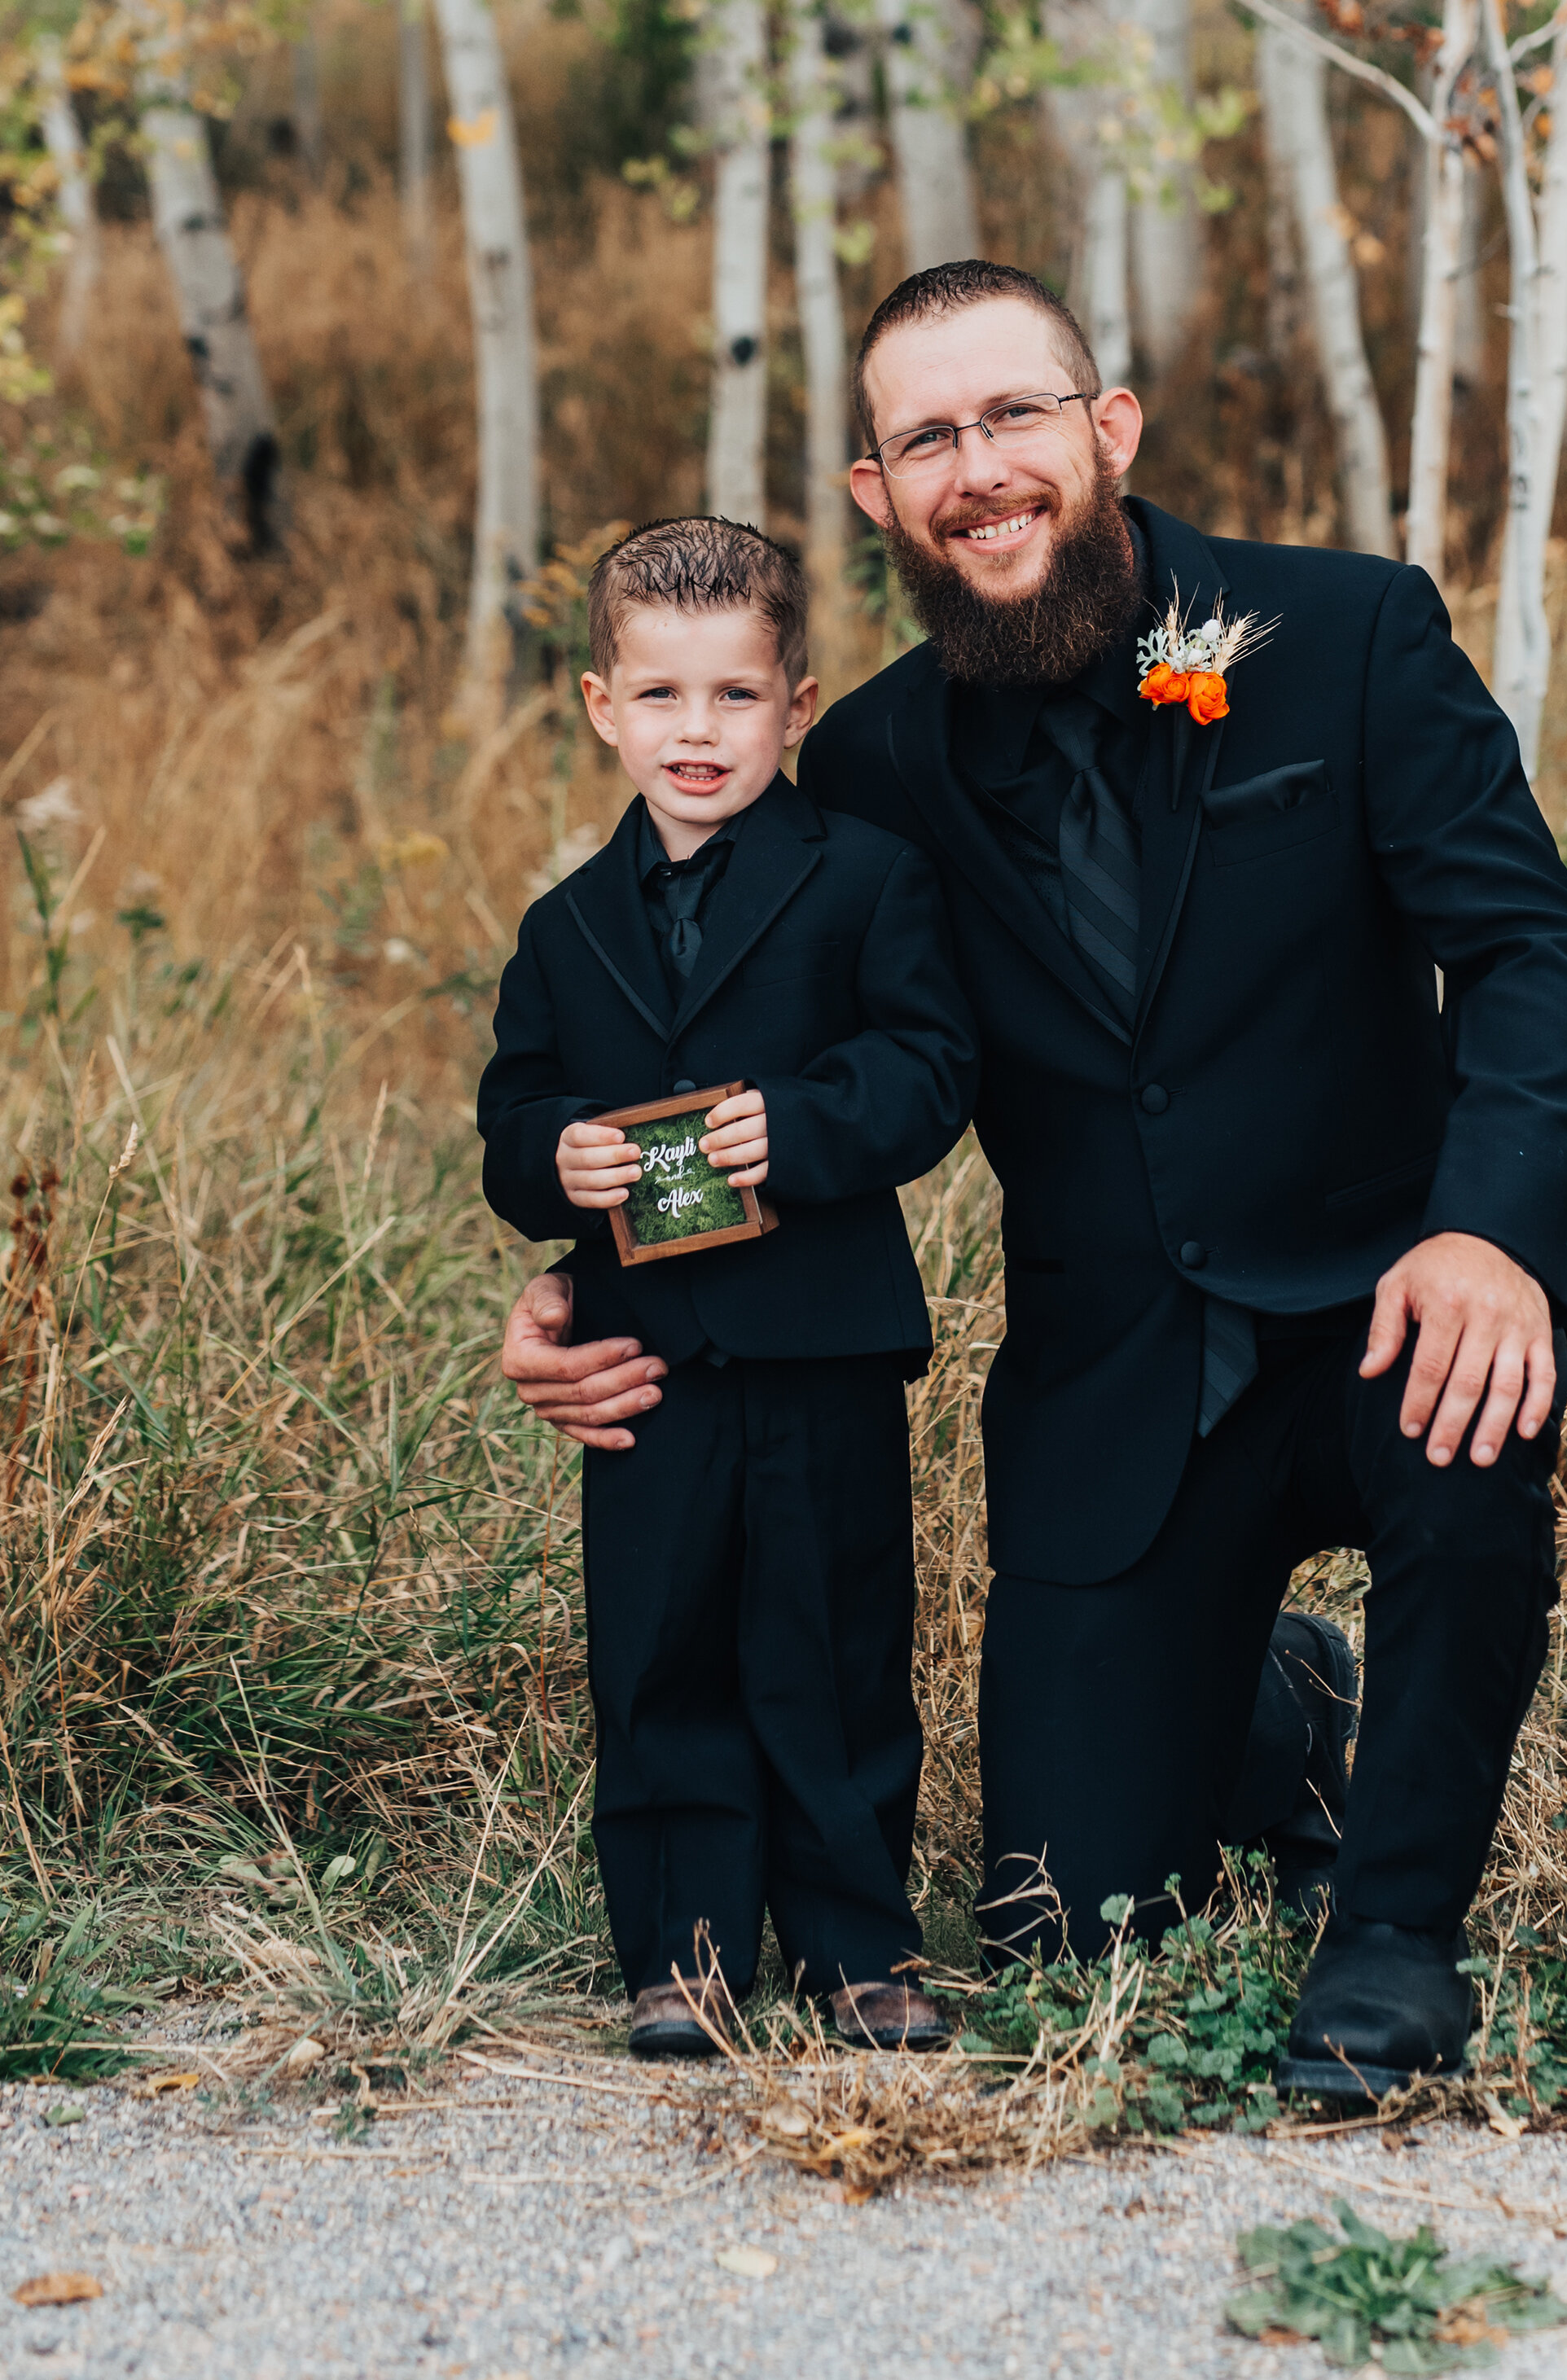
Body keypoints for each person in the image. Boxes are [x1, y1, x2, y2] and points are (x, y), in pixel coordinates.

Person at [500, 263, 1567, 2099]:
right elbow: (746, 1053)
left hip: (1391, 1300)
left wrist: (1491, 1231)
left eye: (1014, 414)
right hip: (1119, 1386)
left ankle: (1394, 1942)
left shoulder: (1346, 633)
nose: (981, 469)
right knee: (1063, 1937)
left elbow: (1528, 953)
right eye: (929, 438)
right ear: (879, 494)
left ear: (1109, 431)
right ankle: (1290, 1705)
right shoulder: (864, 761)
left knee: (1470, 1442)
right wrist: (585, 1270)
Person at [478, 517, 976, 2060]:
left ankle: (856, 1947)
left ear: (798, 705)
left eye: (737, 696)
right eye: (662, 696)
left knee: (832, 1644)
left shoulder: (869, 878)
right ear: (601, 707)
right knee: (659, 1647)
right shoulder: (564, 926)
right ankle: (681, 1955)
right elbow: (512, 1122)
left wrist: (804, 1124)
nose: (698, 732)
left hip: (821, 1341)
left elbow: (931, 1068)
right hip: (645, 1356)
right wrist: (559, 1154)